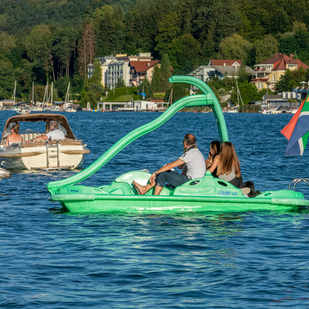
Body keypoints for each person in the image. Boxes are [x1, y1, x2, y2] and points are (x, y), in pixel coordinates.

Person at [133, 134, 206, 195]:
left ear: (184, 143)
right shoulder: (198, 153)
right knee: (164, 171)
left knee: (163, 173)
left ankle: (154, 198)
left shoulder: (190, 153)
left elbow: (171, 165)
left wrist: (155, 172)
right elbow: (180, 167)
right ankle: (145, 188)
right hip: (197, 183)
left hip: (191, 183)